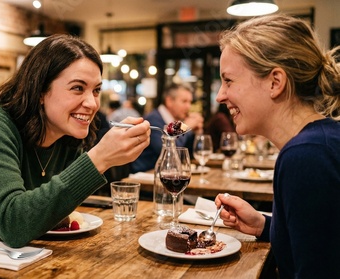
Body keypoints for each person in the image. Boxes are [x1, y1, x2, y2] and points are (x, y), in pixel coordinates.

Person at [0, 34, 150, 252]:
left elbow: (46, 210)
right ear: (40, 92)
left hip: (3, 256)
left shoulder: (66, 136)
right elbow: (14, 224)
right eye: (78, 88)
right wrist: (100, 158)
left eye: (96, 90)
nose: (92, 103)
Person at [212, 15, 340, 278]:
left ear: (275, 82)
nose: (220, 95)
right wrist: (263, 224)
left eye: (229, 81)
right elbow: (322, 242)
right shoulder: (318, 142)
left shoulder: (306, 156)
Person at [131, 82, 204, 173]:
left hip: (166, 174)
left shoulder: (176, 122)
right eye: (184, 101)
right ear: (169, 101)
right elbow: (168, 152)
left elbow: (187, 155)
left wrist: (197, 133)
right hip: (144, 178)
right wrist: (184, 127)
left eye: (190, 102)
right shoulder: (153, 120)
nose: (188, 106)